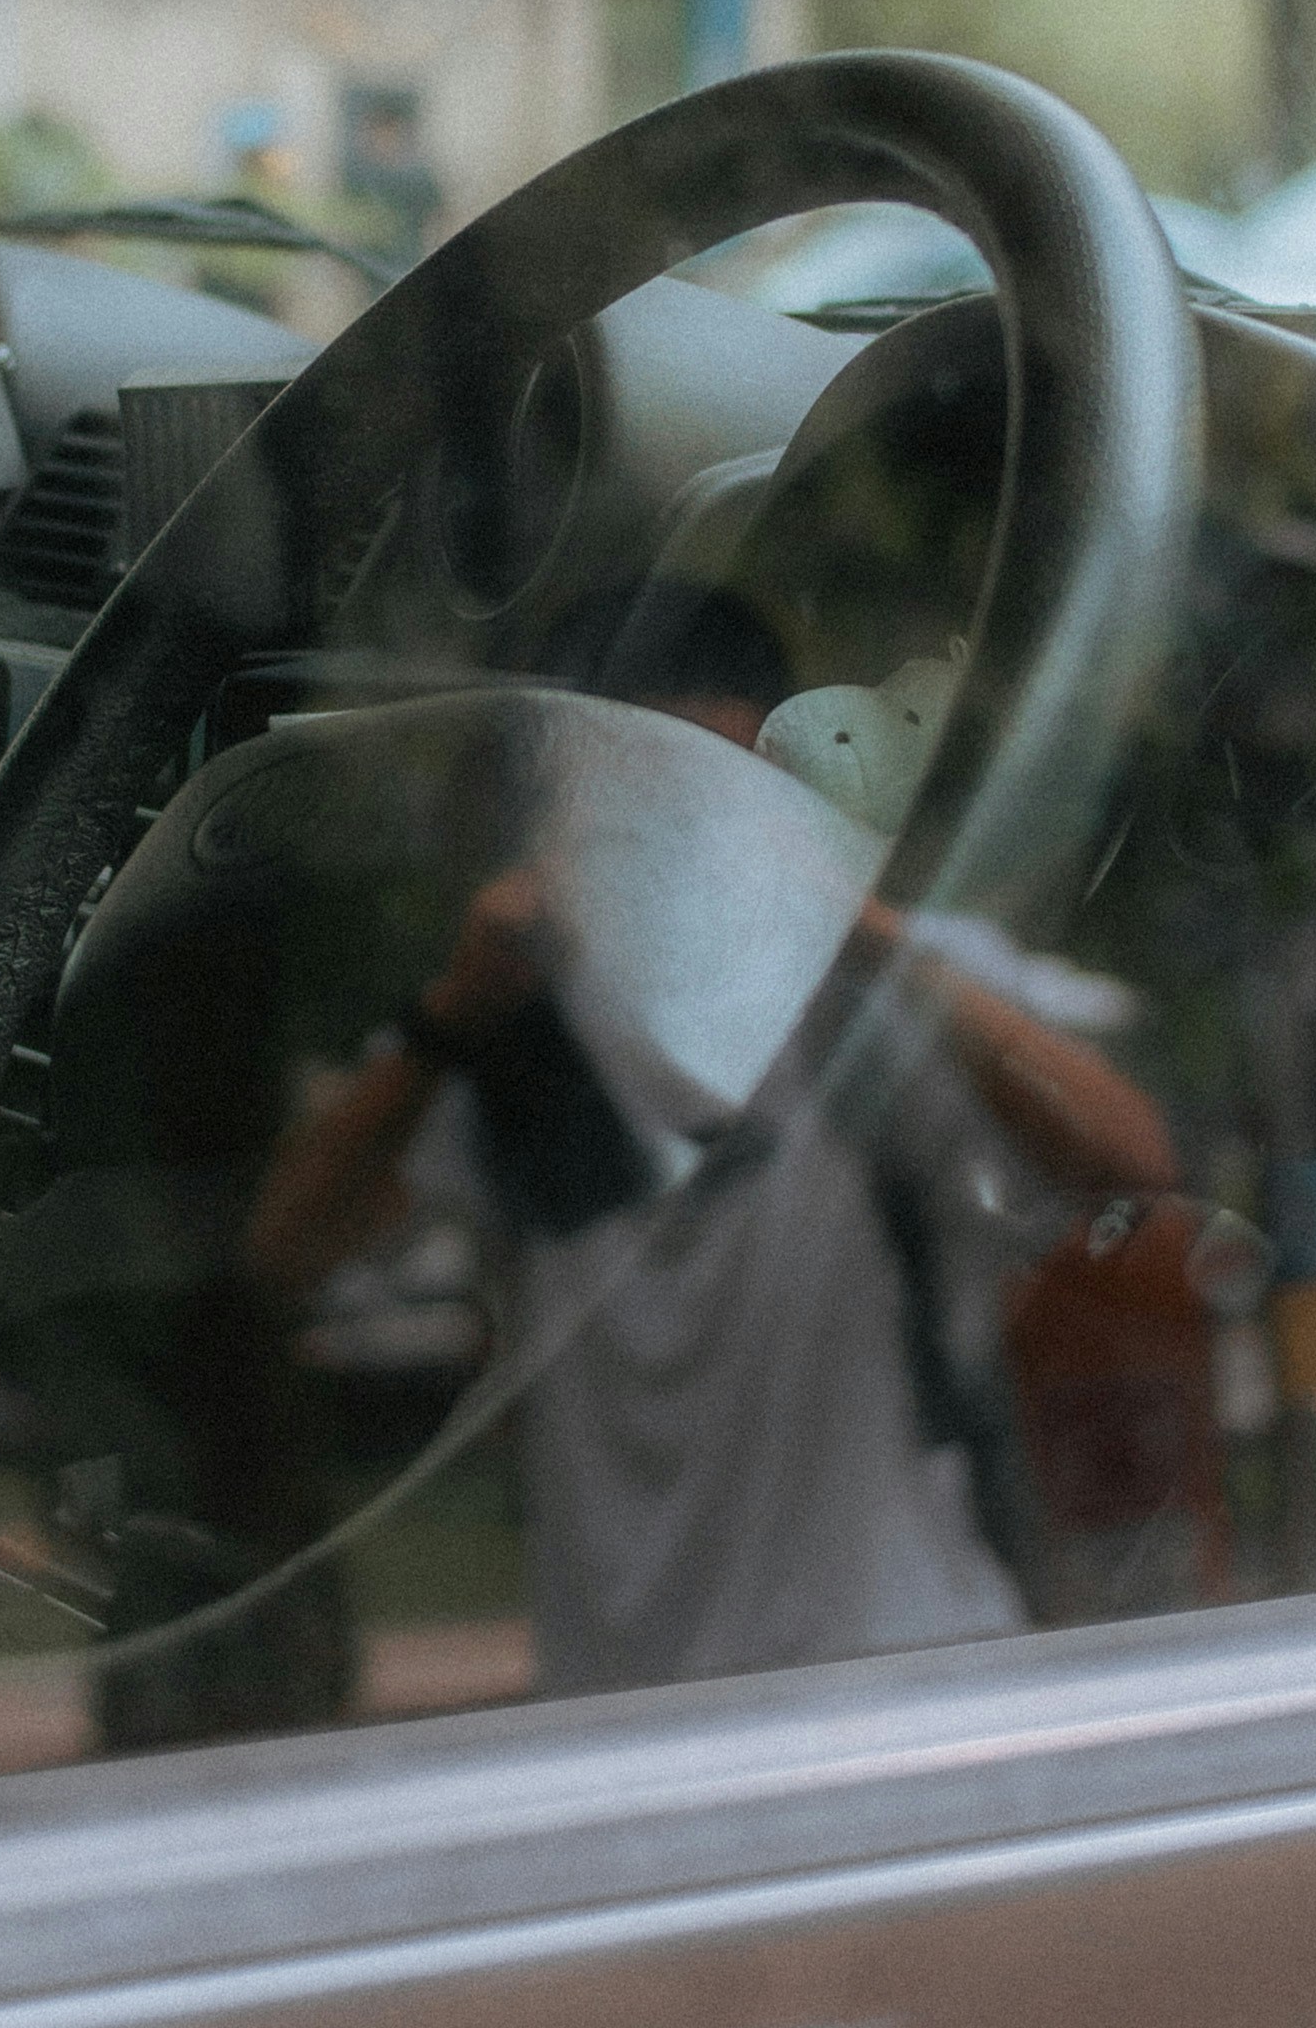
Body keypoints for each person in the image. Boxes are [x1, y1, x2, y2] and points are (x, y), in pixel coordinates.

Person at [243, 596, 1212, 1695]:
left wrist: (867, 933)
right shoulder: (507, 1025)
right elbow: (285, 1252)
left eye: (725, 791)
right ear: (558, 800)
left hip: (907, 1671)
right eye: (642, 791)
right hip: (627, 1702)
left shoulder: (880, 994)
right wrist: (446, 1022)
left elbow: (1136, 1167)